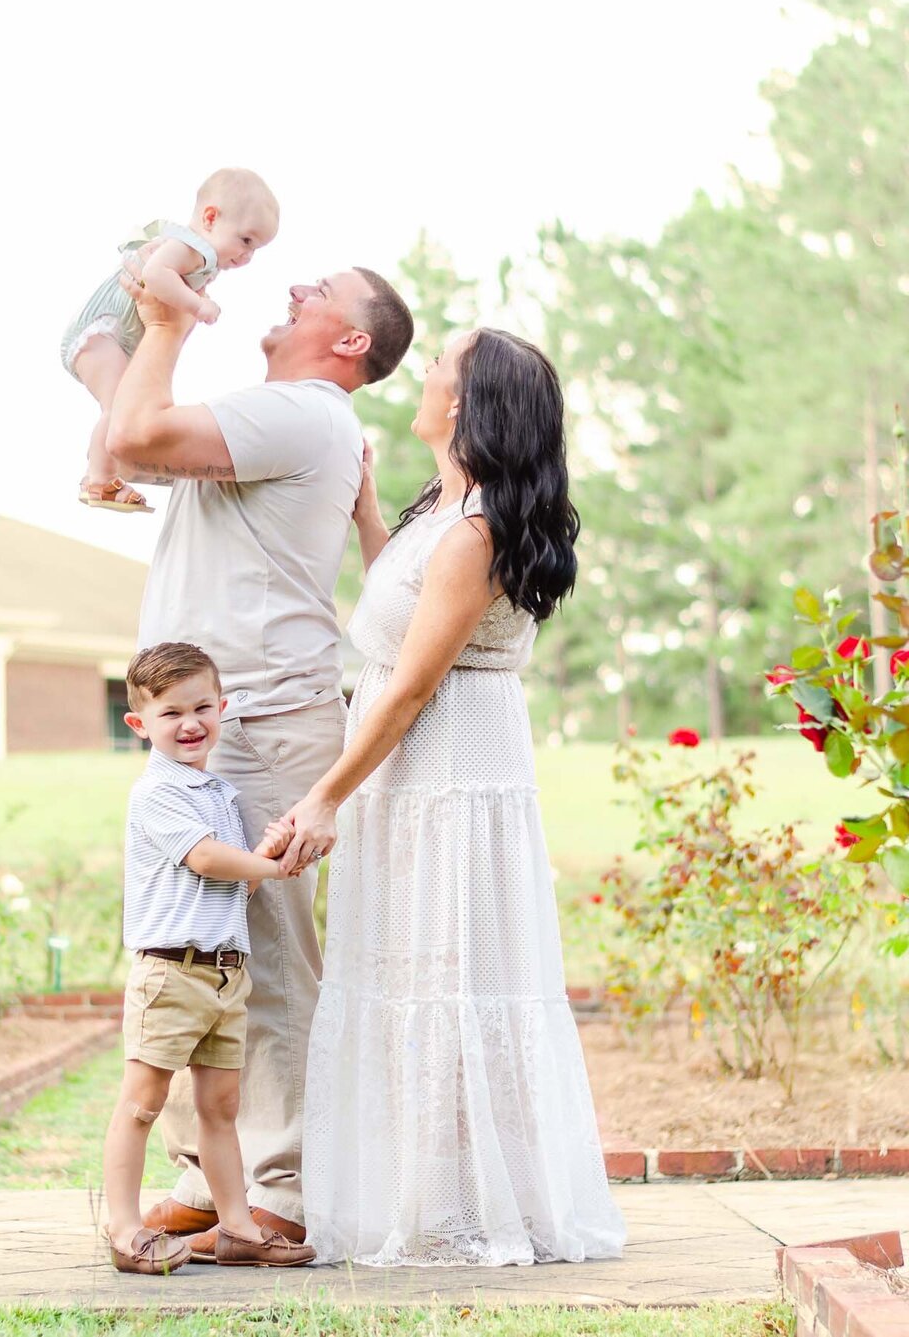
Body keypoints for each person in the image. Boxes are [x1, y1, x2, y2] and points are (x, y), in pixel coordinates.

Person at [281, 328, 627, 1267]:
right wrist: (363, 514)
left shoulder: (477, 534)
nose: (425, 373)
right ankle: (429, 1195)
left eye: (439, 364)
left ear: (468, 404)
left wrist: (324, 799)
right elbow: (403, 604)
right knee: (411, 975)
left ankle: (461, 1206)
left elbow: (408, 685)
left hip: (449, 772)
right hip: (410, 775)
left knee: (450, 980)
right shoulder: (447, 511)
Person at [106, 261, 414, 1256]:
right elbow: (128, 444)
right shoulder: (289, 420)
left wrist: (162, 321)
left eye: (323, 285)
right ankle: (218, 1171)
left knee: (268, 956)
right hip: (215, 731)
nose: (297, 284)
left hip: (264, 730)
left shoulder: (307, 412)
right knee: (202, 944)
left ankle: (281, 1186)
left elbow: (138, 432)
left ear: (353, 339)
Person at [102, 641, 315, 1275]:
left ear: (221, 709)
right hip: (170, 972)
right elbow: (206, 859)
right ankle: (123, 1229)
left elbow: (234, 882)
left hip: (224, 975)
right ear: (140, 724)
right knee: (141, 1102)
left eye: (202, 707)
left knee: (221, 1108)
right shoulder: (158, 793)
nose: (190, 724)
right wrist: (273, 864)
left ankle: (239, 1228)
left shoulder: (217, 792)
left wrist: (268, 854)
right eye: (171, 713)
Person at [59, 168, 279, 512]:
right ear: (210, 217)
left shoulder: (200, 252)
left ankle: (105, 464)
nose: (248, 256)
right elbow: (154, 274)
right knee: (119, 407)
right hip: (103, 331)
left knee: (125, 407)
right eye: (246, 240)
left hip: (116, 336)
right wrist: (198, 305)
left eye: (257, 249)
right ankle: (99, 480)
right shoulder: (193, 246)